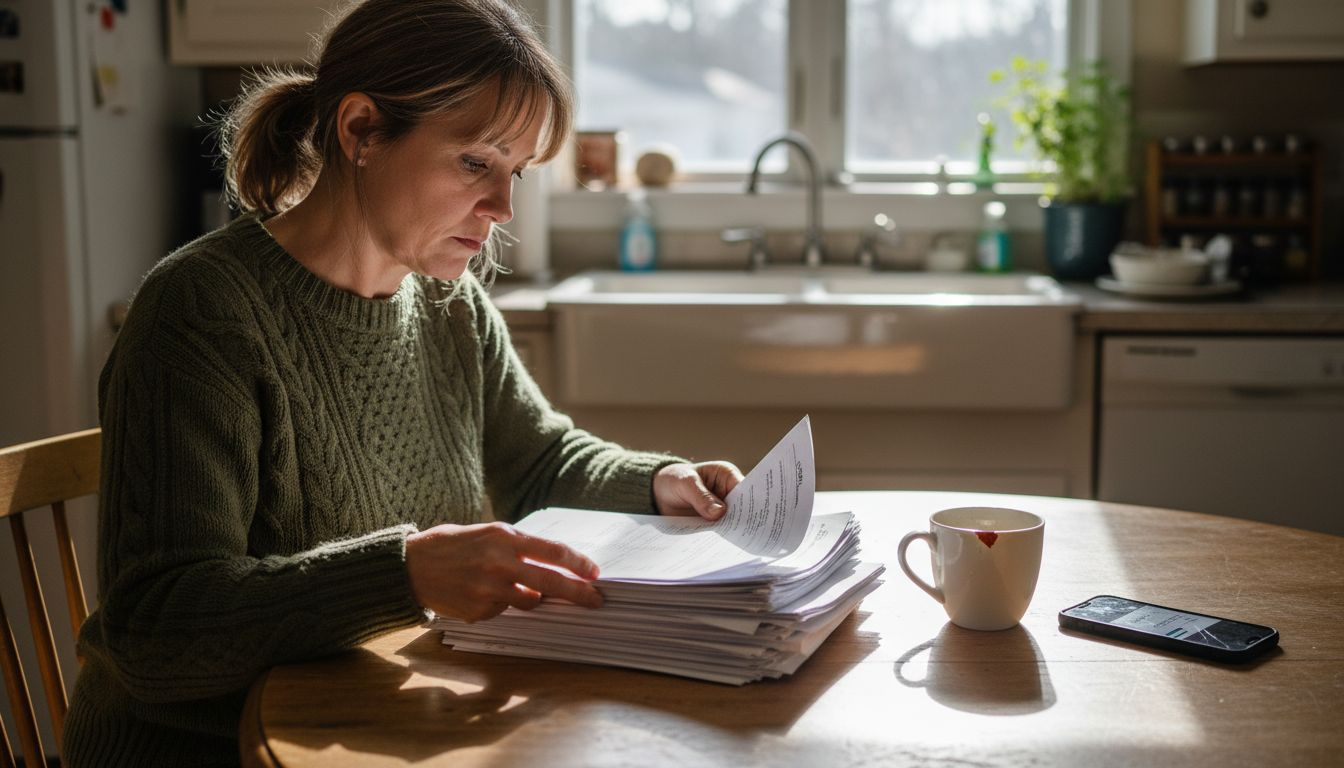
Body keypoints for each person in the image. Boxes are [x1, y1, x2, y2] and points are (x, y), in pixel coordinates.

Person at [63, 1, 742, 763]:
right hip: (213, 749)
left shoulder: (450, 304)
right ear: (360, 131)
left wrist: (661, 483)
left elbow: (541, 460)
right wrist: (404, 572)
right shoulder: (202, 314)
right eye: (475, 162)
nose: (502, 208)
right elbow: (156, 628)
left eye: (514, 172)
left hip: (383, 724)